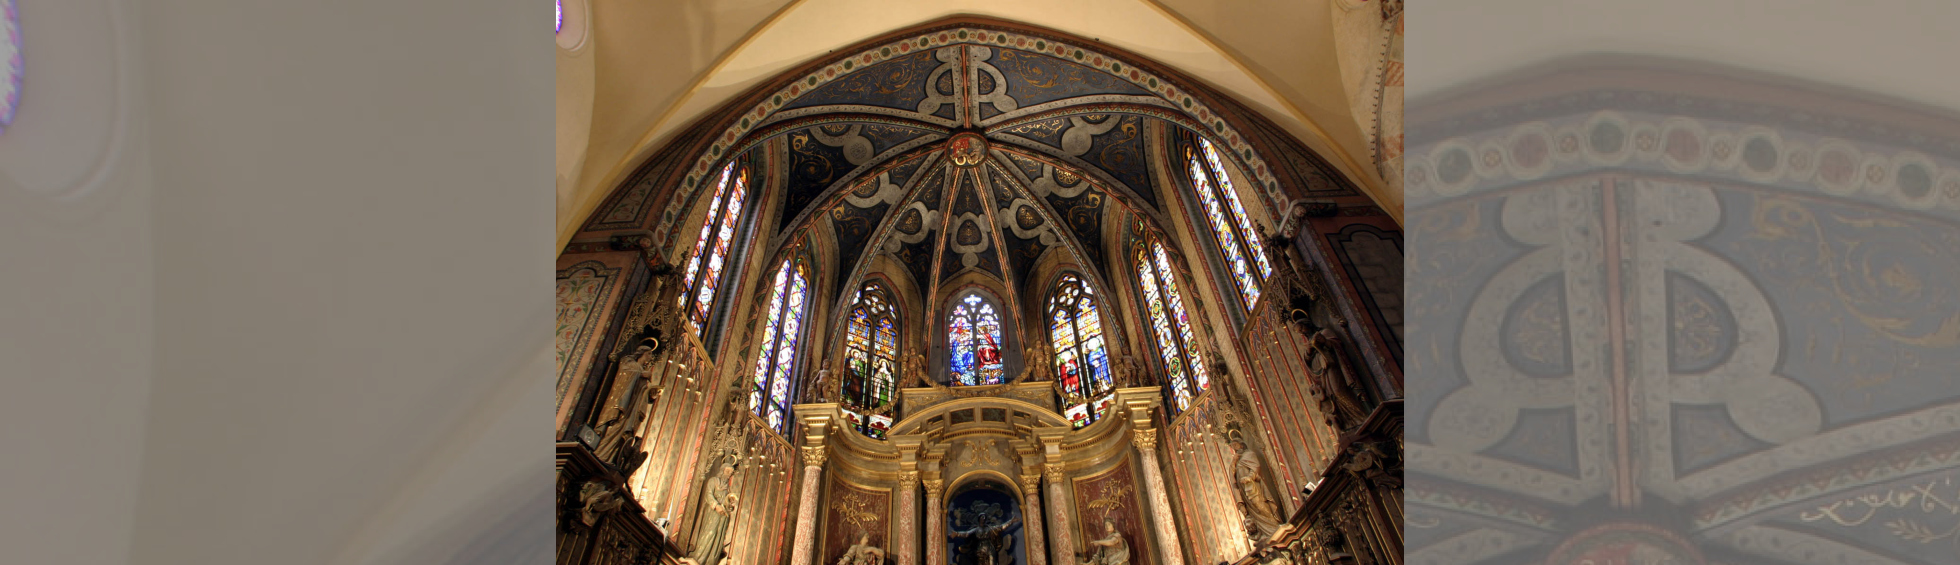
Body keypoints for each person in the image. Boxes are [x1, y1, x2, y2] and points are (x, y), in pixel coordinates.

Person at [690, 461, 740, 565]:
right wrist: (716, 505)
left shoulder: (727, 488)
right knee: (709, 532)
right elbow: (708, 494)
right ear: (722, 470)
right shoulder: (713, 480)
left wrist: (729, 505)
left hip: (723, 515)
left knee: (718, 538)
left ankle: (710, 562)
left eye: (731, 473)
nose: (729, 474)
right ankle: (698, 558)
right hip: (712, 512)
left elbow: (727, 501)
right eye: (727, 471)